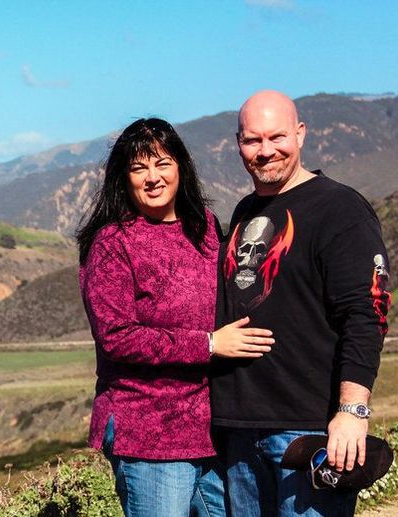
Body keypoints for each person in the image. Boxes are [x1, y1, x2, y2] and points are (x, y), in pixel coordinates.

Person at [77, 117, 275, 516]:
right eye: (139, 168)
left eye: (162, 163)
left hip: (211, 430)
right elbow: (117, 336)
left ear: (180, 167)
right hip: (147, 433)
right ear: (124, 178)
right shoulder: (113, 244)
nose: (152, 177)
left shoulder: (202, 227)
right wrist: (210, 344)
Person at [210, 90, 391, 516]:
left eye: (277, 137)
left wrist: (352, 412)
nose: (265, 151)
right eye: (252, 140)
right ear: (238, 143)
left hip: (306, 432)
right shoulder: (244, 211)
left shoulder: (340, 208)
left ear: (301, 134)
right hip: (240, 432)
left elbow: (366, 315)